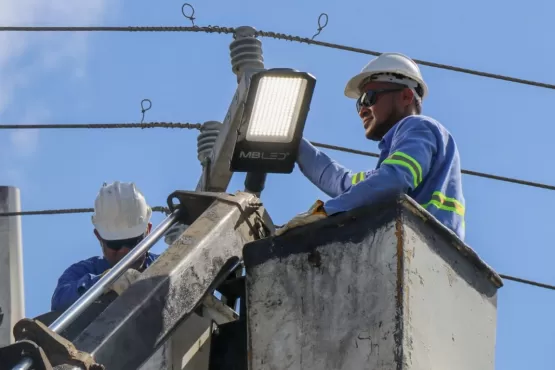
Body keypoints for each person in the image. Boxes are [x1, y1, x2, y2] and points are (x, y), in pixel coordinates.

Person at [276, 52, 466, 241]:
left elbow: (394, 179)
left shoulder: (418, 126)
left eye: (369, 98)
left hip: (424, 246)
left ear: (407, 96)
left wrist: (326, 212)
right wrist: (293, 141)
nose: (362, 110)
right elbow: (343, 183)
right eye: (359, 104)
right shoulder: (389, 168)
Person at [51, 181, 160, 311]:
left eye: (133, 242)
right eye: (115, 244)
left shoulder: (164, 265)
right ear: (99, 237)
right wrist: (105, 282)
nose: (125, 251)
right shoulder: (82, 271)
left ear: (148, 231)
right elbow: (59, 302)